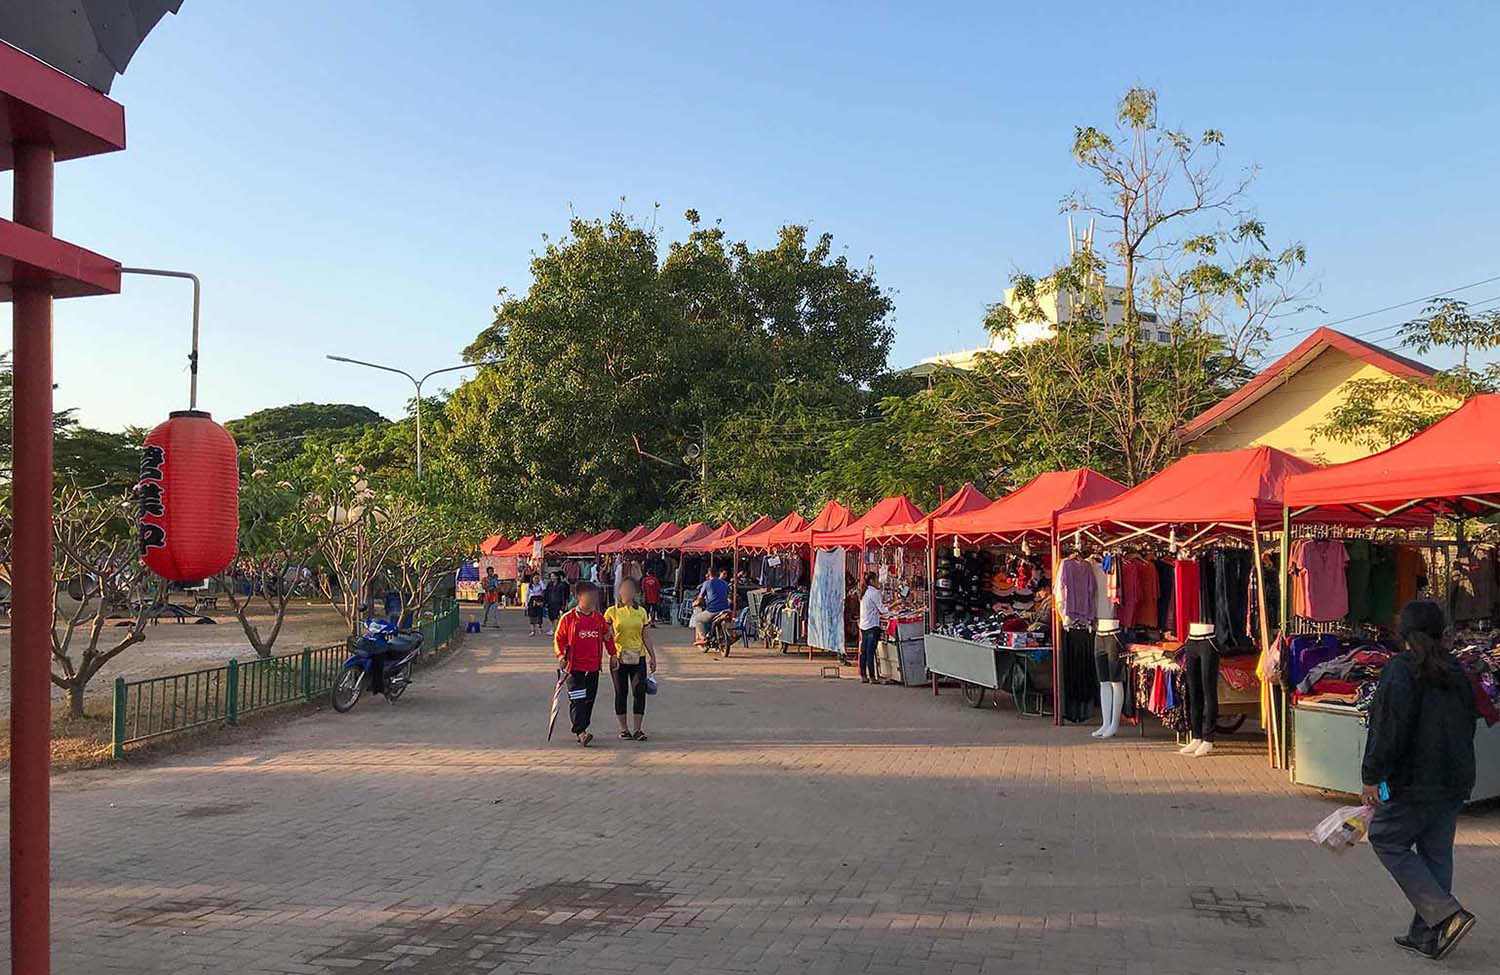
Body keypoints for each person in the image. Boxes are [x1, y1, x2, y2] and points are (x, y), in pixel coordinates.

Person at [1362, 600, 1479, 960]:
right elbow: (1469, 724)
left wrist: (1372, 777)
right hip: (1453, 779)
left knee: (1385, 837)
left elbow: (1388, 730)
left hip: (1415, 780)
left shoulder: (1401, 670)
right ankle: (1427, 935)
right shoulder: (1457, 670)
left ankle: (1444, 914)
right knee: (1436, 853)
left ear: (1403, 633)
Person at [553, 580, 617, 746]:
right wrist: (561, 656)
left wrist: (613, 655)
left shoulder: (599, 619)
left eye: (595, 596)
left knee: (589, 700)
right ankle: (581, 732)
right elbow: (558, 639)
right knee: (578, 700)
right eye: (589, 596)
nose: (593, 599)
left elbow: (608, 637)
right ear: (579, 597)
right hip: (574, 669)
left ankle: (583, 727)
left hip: (593, 668)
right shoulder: (568, 618)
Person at [606, 578, 657, 741]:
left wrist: (652, 657)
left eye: (631, 589)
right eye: (624, 589)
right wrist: (612, 653)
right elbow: (606, 635)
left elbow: (646, 636)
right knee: (621, 692)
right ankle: (623, 728)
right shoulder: (611, 612)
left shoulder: (641, 612)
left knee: (638, 692)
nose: (627, 592)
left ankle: (637, 729)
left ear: (635, 592)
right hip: (619, 657)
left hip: (638, 657)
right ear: (619, 592)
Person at [857, 572, 891, 684]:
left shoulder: (864, 592)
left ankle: (863, 675)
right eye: (877, 579)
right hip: (872, 625)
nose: (878, 582)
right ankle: (872, 676)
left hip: (864, 624)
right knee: (870, 651)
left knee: (864, 651)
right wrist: (895, 604)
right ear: (872, 581)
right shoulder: (874, 592)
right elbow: (882, 610)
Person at [690, 569, 731, 646]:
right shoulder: (725, 583)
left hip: (713, 610)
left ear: (709, 574)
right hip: (726, 609)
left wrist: (694, 603)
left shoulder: (707, 583)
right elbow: (728, 595)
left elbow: (700, 598)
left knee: (698, 619)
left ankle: (703, 638)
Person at [525, 573, 547, 637]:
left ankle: (540, 628)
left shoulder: (540, 585)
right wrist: (526, 604)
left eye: (537, 578)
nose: (536, 580)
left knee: (539, 615)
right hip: (531, 601)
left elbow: (544, 588)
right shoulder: (530, 586)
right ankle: (532, 630)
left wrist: (540, 581)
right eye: (535, 578)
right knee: (532, 616)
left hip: (539, 600)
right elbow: (527, 595)